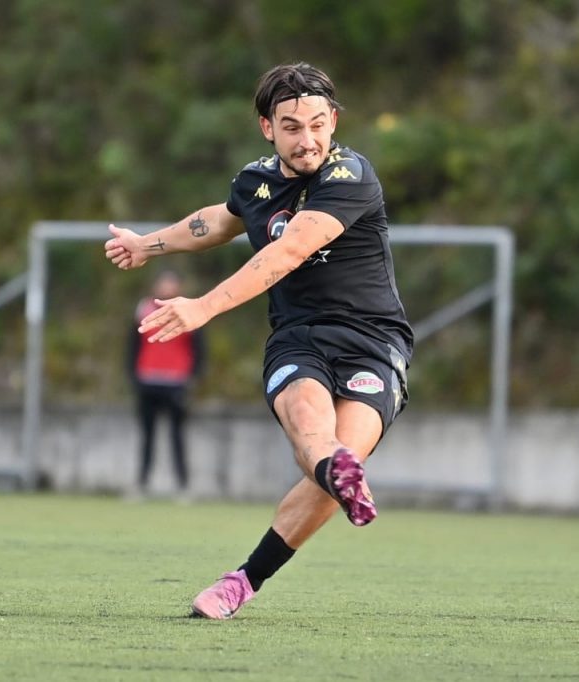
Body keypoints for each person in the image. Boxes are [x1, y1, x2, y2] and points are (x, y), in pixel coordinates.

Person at [104, 62, 412, 620]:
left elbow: (287, 252)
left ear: (333, 120)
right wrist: (147, 245)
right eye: (291, 127)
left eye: (317, 124)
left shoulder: (350, 175)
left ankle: (243, 580)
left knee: (339, 458)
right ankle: (337, 471)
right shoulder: (255, 181)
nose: (307, 139)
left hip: (373, 342)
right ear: (268, 127)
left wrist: (202, 307)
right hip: (298, 339)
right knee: (312, 428)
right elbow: (218, 221)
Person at [127, 269, 204, 500]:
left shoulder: (187, 310)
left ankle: (182, 486)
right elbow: (133, 344)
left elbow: (198, 348)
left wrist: (193, 376)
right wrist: (133, 375)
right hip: (148, 380)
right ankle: (141, 484)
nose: (166, 287)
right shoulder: (143, 308)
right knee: (147, 436)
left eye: (171, 283)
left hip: (176, 382)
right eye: (163, 283)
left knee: (177, 436)